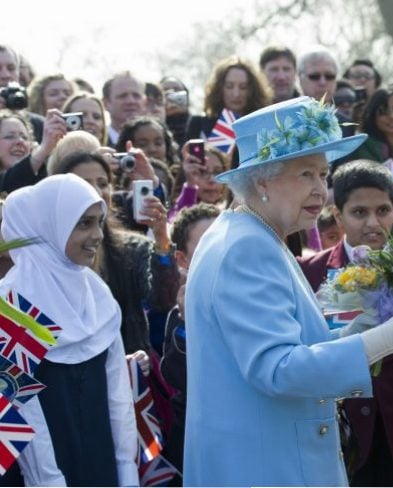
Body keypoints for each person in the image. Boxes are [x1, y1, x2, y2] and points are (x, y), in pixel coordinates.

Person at [183, 96, 393, 485]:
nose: (321, 191)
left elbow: (300, 341)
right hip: (269, 468)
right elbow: (278, 370)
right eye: (306, 174)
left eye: (323, 175)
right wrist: (388, 337)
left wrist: (368, 327)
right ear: (261, 179)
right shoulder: (247, 247)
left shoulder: (253, 234)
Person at [298, 159, 393, 486]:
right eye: (359, 212)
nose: (373, 223)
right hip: (341, 431)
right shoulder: (308, 272)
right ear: (337, 215)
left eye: (383, 210)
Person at [2, 174, 137, 485]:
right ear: (49, 226)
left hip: (101, 464)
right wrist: (48, 480)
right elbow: (19, 410)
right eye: (83, 223)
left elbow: (117, 394)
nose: (98, 235)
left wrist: (125, 468)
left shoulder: (97, 293)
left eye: (99, 222)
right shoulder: (10, 306)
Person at [160, 202, 221, 482]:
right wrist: (189, 322)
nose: (222, 253)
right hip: (199, 445)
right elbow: (177, 374)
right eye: (208, 246)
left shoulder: (258, 305)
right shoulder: (179, 317)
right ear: (183, 260)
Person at [187, 56, 270, 151]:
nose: (236, 94)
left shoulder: (263, 125)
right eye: (229, 86)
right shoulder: (198, 124)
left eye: (243, 87)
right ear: (219, 88)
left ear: (252, 90)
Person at [102, 71, 147, 146]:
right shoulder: (98, 144)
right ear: (106, 103)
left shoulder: (155, 146)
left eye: (136, 95)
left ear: (145, 101)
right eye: (122, 96)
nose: (131, 101)